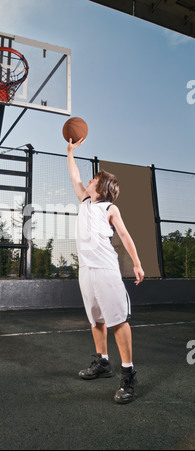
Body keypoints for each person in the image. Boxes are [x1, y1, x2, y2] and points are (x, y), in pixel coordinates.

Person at [67, 137, 144, 404]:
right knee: (95, 319)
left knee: (117, 321)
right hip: (86, 270)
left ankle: (128, 374)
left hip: (106, 270)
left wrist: (136, 262)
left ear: (101, 188)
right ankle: (103, 362)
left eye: (92, 181)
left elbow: (124, 235)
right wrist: (70, 152)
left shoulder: (110, 208)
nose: (87, 182)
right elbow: (75, 175)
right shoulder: (84, 202)